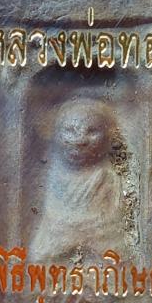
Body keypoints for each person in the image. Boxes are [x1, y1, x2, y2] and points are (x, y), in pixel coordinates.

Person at [30, 98, 126, 264]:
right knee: (38, 254)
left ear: (108, 136)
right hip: (58, 237)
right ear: (55, 134)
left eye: (92, 131)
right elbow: (50, 214)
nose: (80, 140)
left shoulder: (109, 177)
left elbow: (114, 218)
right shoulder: (52, 174)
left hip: (100, 239)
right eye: (70, 130)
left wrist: (83, 231)